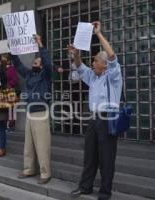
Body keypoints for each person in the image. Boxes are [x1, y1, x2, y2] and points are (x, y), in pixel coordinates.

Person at [69, 21, 122, 200]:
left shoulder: (113, 76)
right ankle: (85, 187)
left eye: (96, 61)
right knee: (90, 156)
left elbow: (112, 55)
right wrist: (76, 53)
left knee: (106, 159)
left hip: (108, 119)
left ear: (104, 65)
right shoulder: (93, 76)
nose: (92, 63)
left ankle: (105, 192)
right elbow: (79, 66)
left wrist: (98, 34)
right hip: (93, 120)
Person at [11, 34, 53, 185]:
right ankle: (29, 169)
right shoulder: (29, 74)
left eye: (37, 60)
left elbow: (48, 63)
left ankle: (45, 173)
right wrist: (13, 50)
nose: (35, 61)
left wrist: (40, 44)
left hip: (41, 113)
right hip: (30, 112)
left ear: (41, 65)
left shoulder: (46, 75)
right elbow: (17, 64)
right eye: (35, 60)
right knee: (28, 145)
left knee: (42, 145)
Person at [0, 54, 18, 134]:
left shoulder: (12, 69)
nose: (2, 61)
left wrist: (7, 83)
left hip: (10, 91)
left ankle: (11, 126)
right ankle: (4, 126)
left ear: (8, 61)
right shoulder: (1, 69)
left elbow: (14, 81)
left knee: (11, 109)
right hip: (3, 91)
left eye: (4, 59)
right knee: (4, 109)